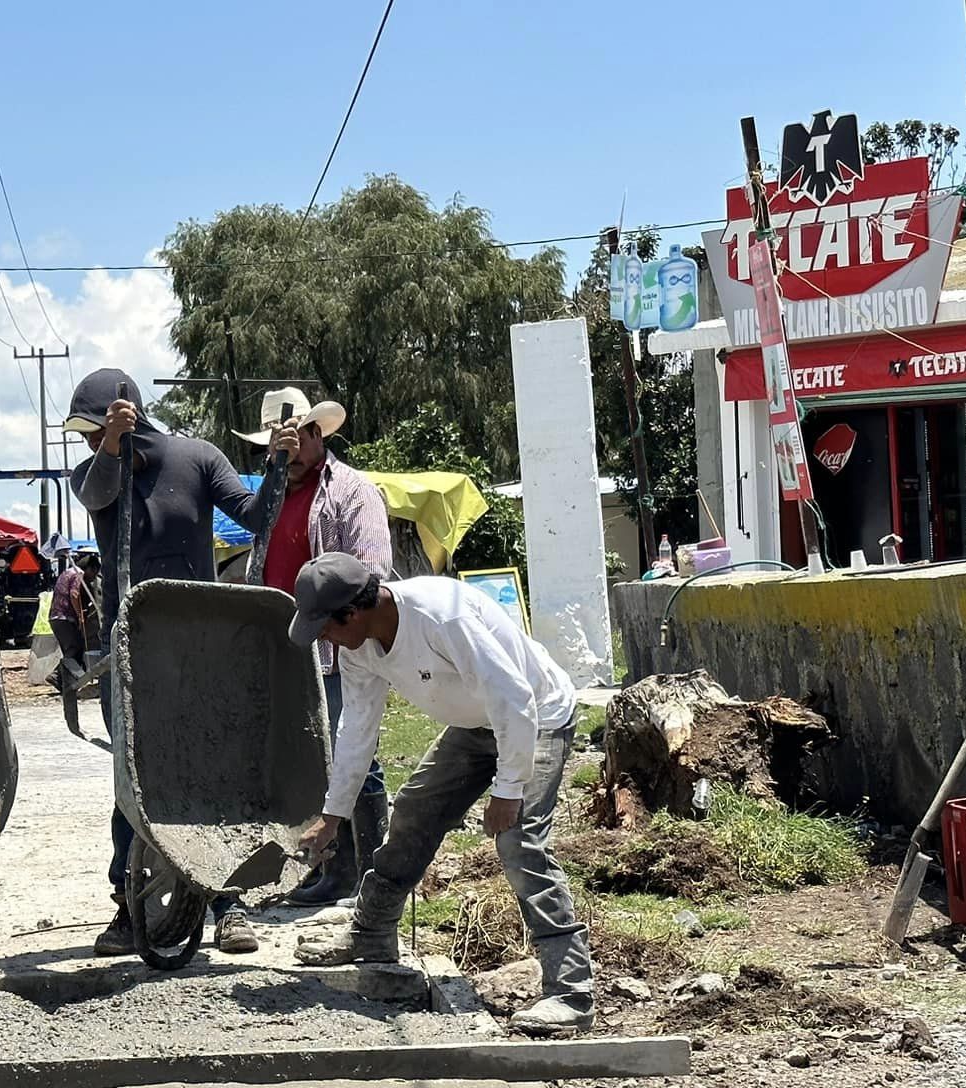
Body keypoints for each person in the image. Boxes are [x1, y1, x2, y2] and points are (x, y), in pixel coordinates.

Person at [286, 553, 596, 1037]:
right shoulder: (358, 647)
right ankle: (371, 934)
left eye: (324, 626)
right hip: (474, 724)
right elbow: (357, 731)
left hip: (537, 716)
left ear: (354, 610)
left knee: (518, 844)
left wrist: (508, 788)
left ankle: (570, 993)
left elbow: (513, 698)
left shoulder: (441, 617)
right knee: (413, 812)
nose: (322, 638)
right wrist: (332, 813)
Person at [64, 366, 281, 957]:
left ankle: (228, 906)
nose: (87, 443)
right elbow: (97, 495)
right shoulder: (94, 469)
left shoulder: (197, 458)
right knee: (132, 778)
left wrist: (281, 467)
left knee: (213, 769)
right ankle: (126, 903)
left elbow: (255, 516)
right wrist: (109, 446)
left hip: (199, 649)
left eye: (93, 431)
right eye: (86, 435)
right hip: (131, 646)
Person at [230, 387, 393, 909]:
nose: (281, 452)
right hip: (288, 651)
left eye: (290, 441)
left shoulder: (350, 491)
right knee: (311, 760)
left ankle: (370, 872)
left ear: (315, 435)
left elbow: (373, 571)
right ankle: (332, 868)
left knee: (355, 754)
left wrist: (343, 627)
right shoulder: (270, 498)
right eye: (273, 446)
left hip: (338, 647)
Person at [48, 550, 99, 677]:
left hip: (56, 617)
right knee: (74, 647)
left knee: (73, 649)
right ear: (89, 568)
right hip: (64, 617)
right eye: (94, 572)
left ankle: (67, 681)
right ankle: (57, 675)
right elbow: (74, 594)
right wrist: (80, 615)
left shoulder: (67, 572)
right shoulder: (78, 573)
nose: (93, 577)